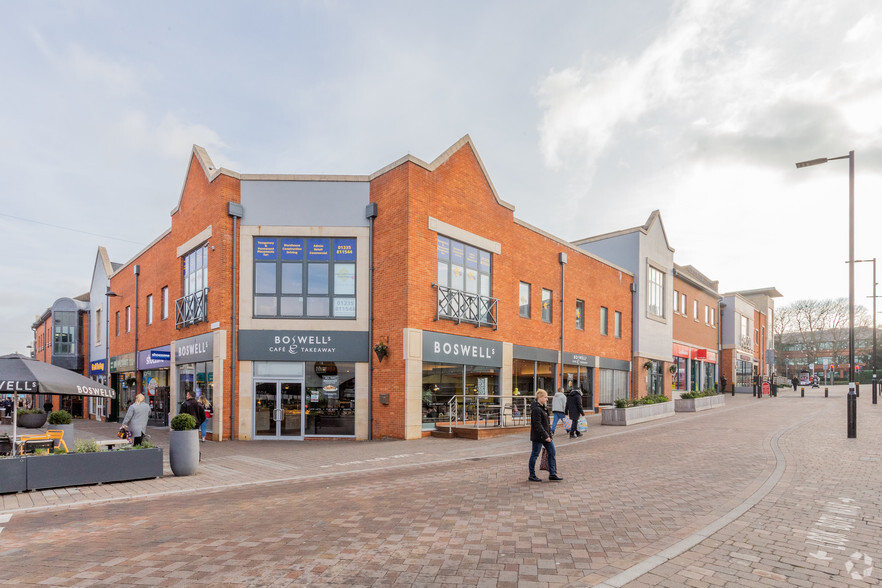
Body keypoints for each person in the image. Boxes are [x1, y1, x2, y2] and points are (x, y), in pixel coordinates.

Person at [528, 389, 561, 482]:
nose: (547, 399)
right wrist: (546, 435)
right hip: (538, 437)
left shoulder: (543, 408)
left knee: (552, 452)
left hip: (546, 436)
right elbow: (537, 424)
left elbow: (546, 423)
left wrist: (549, 434)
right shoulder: (536, 409)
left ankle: (552, 473)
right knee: (534, 455)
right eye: (545, 397)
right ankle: (532, 475)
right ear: (540, 397)